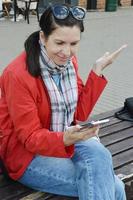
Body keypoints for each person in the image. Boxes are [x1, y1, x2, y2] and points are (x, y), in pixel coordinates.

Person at [0, 3, 127, 200]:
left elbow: (79, 116)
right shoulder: (16, 75)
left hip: (63, 138)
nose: (67, 52)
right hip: (26, 156)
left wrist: (97, 71)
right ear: (43, 37)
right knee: (115, 187)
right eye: (59, 43)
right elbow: (30, 138)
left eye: (74, 44)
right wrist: (66, 139)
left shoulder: (68, 64)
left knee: (101, 156)